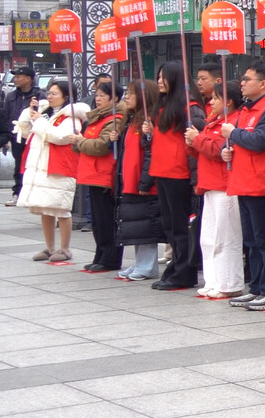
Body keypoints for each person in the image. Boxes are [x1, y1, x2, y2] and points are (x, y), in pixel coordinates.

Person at [222, 64, 265, 310]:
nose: (242, 83)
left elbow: (260, 141)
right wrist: (226, 149)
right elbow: (240, 139)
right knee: (252, 240)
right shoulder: (249, 108)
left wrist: (234, 134)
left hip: (262, 182)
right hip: (245, 181)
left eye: (247, 79)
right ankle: (257, 287)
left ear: (263, 84)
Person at [147, 63, 205, 291]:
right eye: (159, 76)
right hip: (161, 171)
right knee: (170, 226)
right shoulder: (164, 105)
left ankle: (184, 272)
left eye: (164, 77)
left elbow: (198, 138)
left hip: (178, 172)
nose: (159, 81)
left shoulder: (190, 107)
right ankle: (176, 267)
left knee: (181, 227)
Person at [16, 80, 82, 262]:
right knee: (45, 207)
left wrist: (39, 122)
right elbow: (26, 133)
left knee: (61, 208)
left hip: (59, 166)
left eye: (54, 93)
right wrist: (29, 116)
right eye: (49, 93)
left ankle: (65, 248)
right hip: (42, 165)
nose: (50, 96)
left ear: (66, 96)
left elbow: (60, 137)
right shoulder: (46, 113)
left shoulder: (72, 117)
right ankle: (50, 247)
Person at [191, 81, 243, 299]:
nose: (211, 102)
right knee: (208, 238)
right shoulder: (213, 121)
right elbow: (203, 152)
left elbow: (218, 150)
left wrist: (198, 139)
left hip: (225, 185)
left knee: (226, 236)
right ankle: (212, 280)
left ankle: (229, 283)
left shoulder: (233, 122)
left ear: (228, 101)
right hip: (209, 184)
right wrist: (193, 141)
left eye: (216, 98)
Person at [115, 81, 166, 283]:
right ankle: (140, 263)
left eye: (130, 94)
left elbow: (150, 154)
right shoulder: (132, 120)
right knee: (137, 225)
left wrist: (145, 181)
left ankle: (148, 265)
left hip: (144, 184)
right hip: (130, 181)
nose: (126, 97)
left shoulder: (149, 121)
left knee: (147, 226)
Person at [74, 81, 126, 273]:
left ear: (114, 99)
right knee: (97, 220)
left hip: (103, 174)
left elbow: (101, 146)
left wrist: (81, 142)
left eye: (102, 96)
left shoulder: (114, 119)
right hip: (92, 174)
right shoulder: (97, 118)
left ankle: (110, 258)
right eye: (97, 95)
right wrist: (78, 141)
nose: (97, 98)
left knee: (105, 219)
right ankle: (100, 255)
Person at [3, 67, 36, 204]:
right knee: (18, 165)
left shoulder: (39, 95)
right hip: (16, 137)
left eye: (19, 76)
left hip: (34, 137)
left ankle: (32, 194)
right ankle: (18, 193)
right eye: (15, 77)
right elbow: (6, 116)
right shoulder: (11, 96)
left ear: (29, 79)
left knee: (33, 165)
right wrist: (7, 135)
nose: (15, 79)